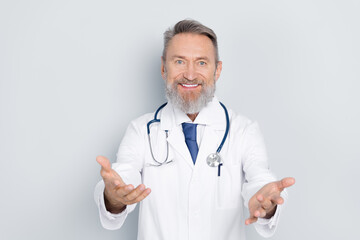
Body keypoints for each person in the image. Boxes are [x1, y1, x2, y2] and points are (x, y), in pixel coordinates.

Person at [94, 19, 295, 240]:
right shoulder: (141, 130)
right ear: (163, 68)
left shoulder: (243, 130)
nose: (190, 74)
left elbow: (260, 182)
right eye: (179, 62)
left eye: (201, 63)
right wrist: (114, 197)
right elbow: (123, 180)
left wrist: (266, 203)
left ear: (217, 70)